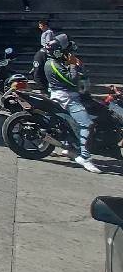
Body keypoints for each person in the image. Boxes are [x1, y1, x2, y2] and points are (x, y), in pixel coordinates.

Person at [43, 34, 100, 173]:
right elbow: (71, 81)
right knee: (87, 124)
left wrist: (79, 67)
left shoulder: (62, 61)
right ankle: (85, 158)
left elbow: (82, 80)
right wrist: (73, 65)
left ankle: (71, 147)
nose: (68, 53)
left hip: (75, 96)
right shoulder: (52, 64)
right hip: (66, 99)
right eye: (65, 51)